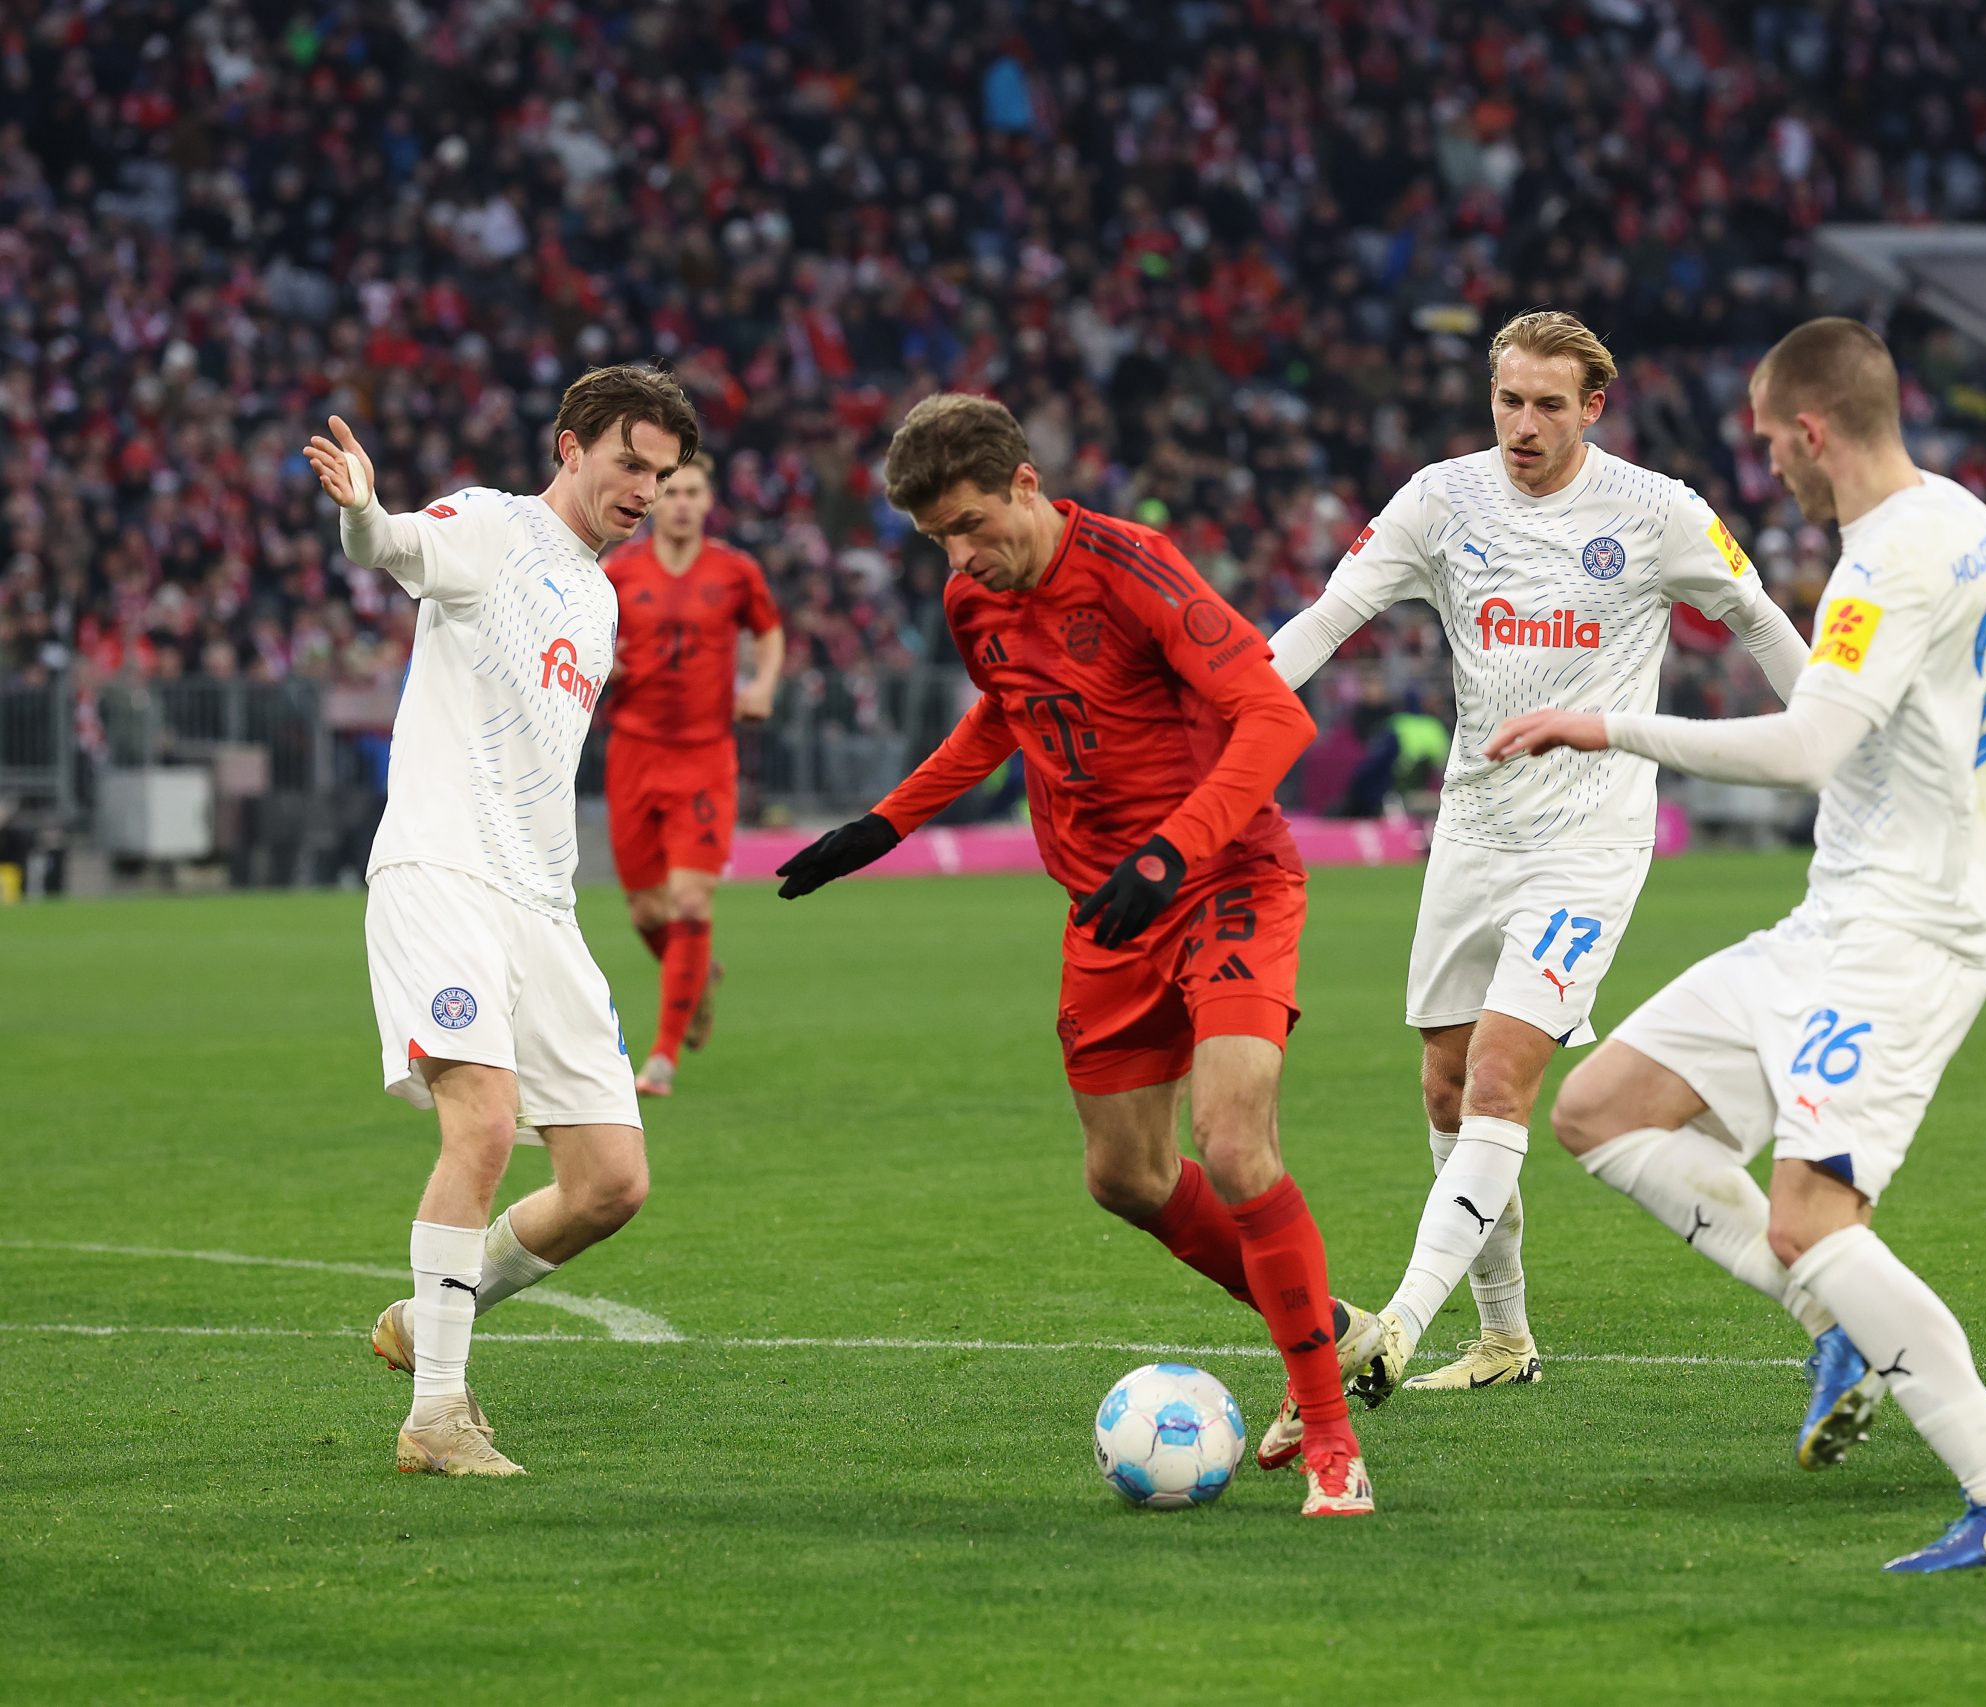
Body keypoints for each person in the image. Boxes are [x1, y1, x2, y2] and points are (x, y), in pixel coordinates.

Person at [1487, 317, 1986, 1571]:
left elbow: (1805, 749)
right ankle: (1835, 1320)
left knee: (1817, 1219)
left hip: (1904, 930)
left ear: (1813, 431)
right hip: (1839, 912)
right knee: (1601, 1107)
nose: (1767, 466)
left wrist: (1608, 728)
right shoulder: (1963, 519)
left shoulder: (1883, 561)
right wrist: (1971, 755)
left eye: (1769, 442)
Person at [774, 395, 1377, 1517]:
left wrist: (1169, 850)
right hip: (1110, 911)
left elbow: (1273, 719)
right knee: (1124, 1179)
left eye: (970, 525)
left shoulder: (1134, 569)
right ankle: (1331, 1327)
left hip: (1226, 879)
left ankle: (1334, 1440)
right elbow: (1003, 715)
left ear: (1024, 483)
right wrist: (889, 822)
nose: (959, 557)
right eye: (937, 541)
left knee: (1234, 1143)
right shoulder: (975, 598)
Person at [1264, 311, 1814, 1428]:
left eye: (1548, 404)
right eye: (1508, 399)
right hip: (1472, 829)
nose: (1523, 424)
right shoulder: (1440, 498)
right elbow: (1327, 621)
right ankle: (1503, 1334)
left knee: (1503, 1081)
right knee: (1445, 1086)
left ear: (1593, 407)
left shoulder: (1657, 512)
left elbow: (1756, 619)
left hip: (1589, 839)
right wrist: (1226, 714)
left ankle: (1400, 1322)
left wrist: (1831, 729)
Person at [303, 365, 700, 1476]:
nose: (645, 490)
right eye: (629, 462)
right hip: (442, 874)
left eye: (662, 475)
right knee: (480, 1124)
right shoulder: (487, 525)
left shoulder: (603, 599)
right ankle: (435, 1415)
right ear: (569, 446)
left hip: (541, 902)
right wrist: (363, 512)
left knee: (611, 1180)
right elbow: (392, 551)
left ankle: (429, 1310)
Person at [601, 453, 783, 1097]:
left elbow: (769, 631)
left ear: (709, 501)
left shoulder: (735, 572)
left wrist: (761, 684)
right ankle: (698, 977)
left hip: (705, 757)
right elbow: (583, 635)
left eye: (692, 491)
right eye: (670, 491)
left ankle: (662, 1057)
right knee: (646, 909)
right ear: (654, 499)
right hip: (633, 752)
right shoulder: (618, 570)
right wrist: (605, 666)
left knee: (689, 901)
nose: (680, 502)